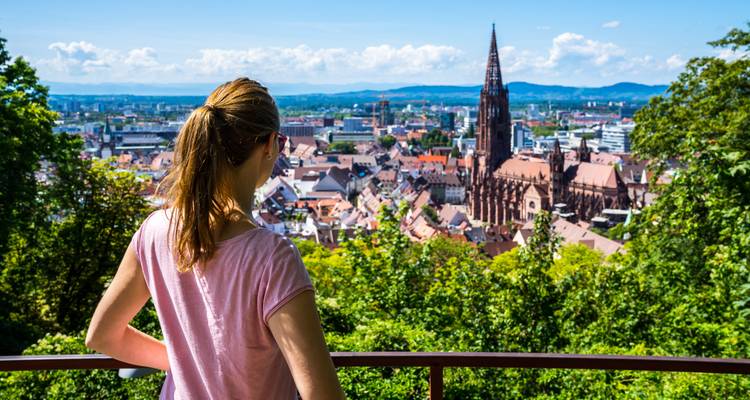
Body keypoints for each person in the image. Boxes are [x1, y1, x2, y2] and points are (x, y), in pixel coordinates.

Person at [85, 78, 345, 399]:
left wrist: (184, 361)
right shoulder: (271, 256)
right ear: (268, 145)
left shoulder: (154, 230)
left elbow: (102, 336)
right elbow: (322, 394)